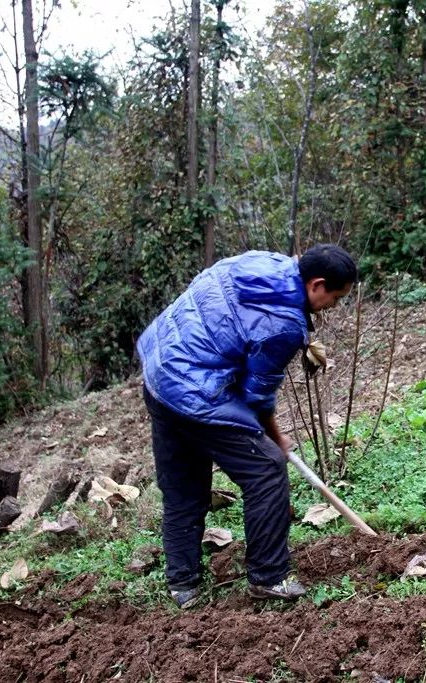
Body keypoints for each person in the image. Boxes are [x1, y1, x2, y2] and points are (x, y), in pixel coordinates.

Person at [136, 244, 356, 607]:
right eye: (335, 297)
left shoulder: (262, 261)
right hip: (194, 390)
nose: (334, 306)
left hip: (160, 369)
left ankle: (182, 584)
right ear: (316, 284)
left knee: (183, 487)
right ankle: (269, 577)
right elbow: (258, 397)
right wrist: (277, 439)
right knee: (267, 468)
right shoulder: (284, 325)